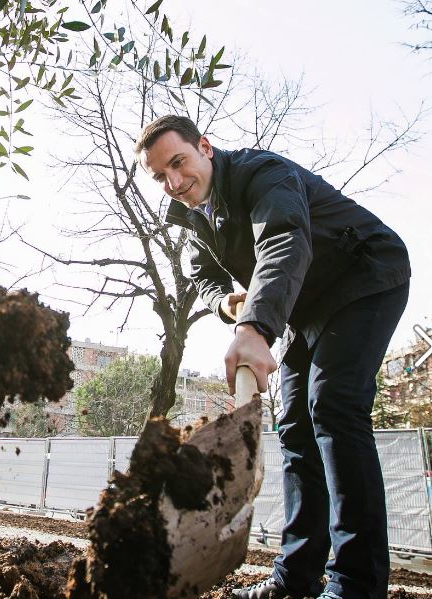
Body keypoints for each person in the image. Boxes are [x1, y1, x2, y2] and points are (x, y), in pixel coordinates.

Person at [135, 115, 410, 599]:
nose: (174, 183)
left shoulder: (263, 174)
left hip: (364, 273)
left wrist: (256, 327)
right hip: (309, 308)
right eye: (160, 177)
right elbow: (203, 272)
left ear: (205, 147)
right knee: (295, 427)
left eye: (178, 163)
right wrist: (225, 301)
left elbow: (284, 238)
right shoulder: (195, 214)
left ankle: (356, 585)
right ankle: (295, 578)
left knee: (332, 407)